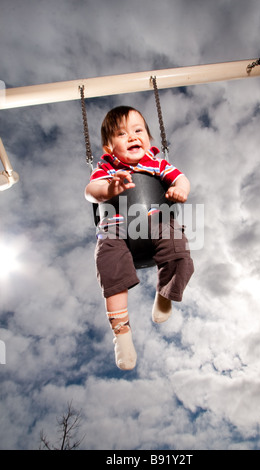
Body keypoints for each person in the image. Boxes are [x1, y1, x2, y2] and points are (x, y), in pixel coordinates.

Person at [85, 106, 194, 370]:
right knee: (109, 266)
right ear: (110, 148)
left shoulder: (158, 163)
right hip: (117, 228)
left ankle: (166, 294)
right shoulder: (107, 168)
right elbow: (91, 191)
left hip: (157, 220)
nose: (133, 136)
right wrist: (111, 187)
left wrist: (180, 189)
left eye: (138, 130)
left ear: (148, 137)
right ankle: (122, 334)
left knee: (180, 254)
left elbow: (181, 179)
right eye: (122, 134)